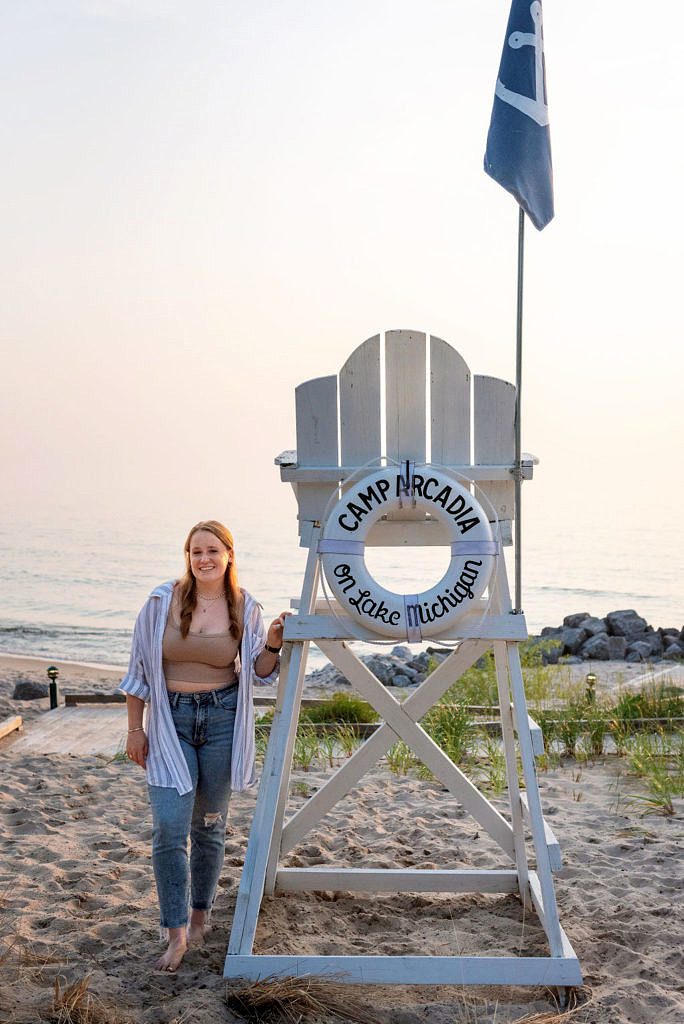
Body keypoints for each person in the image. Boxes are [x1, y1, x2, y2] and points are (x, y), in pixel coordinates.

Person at [120, 520, 287, 971]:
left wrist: (271, 643)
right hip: (169, 721)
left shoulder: (244, 605)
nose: (204, 559)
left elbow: (259, 671)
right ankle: (174, 933)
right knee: (169, 829)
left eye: (212, 550)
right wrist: (136, 730)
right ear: (187, 556)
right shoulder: (161, 601)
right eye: (195, 551)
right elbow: (137, 670)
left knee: (210, 826)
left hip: (222, 720)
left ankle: (200, 915)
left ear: (229, 554)